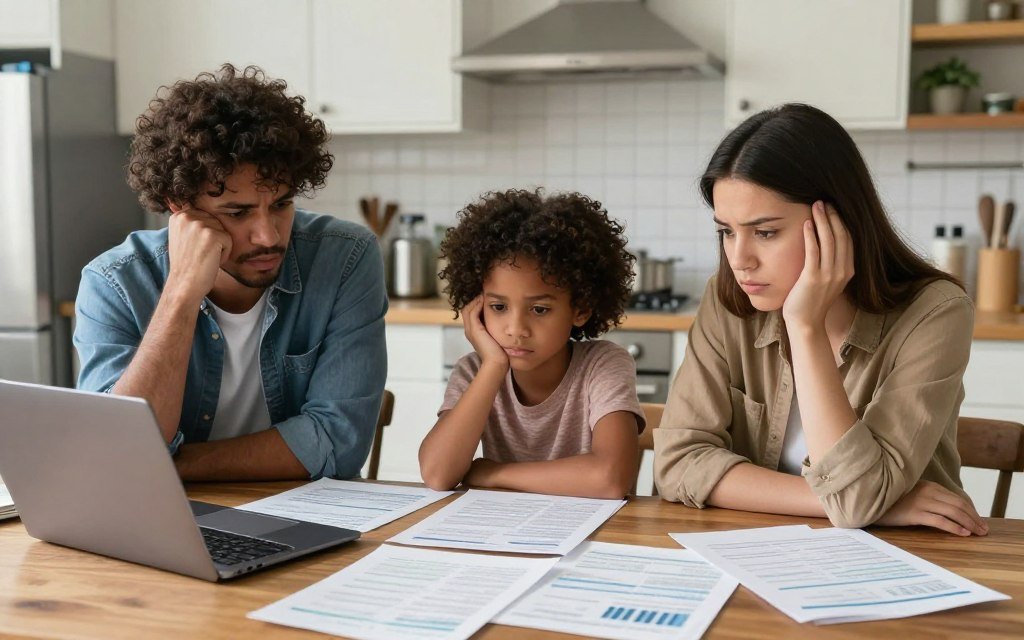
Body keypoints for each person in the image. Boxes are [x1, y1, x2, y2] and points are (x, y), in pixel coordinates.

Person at [654, 103, 989, 536]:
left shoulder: (936, 313)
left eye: (766, 232)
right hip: (760, 554)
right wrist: (847, 502)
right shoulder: (729, 303)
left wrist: (805, 327)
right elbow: (677, 463)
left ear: (837, 222)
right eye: (727, 232)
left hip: (906, 557)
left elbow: (855, 502)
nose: (739, 260)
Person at [74, 64, 387, 482]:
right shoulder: (114, 282)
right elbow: (119, 450)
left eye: (281, 204)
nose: (268, 235)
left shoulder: (345, 258)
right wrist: (181, 294)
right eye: (237, 213)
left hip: (305, 514)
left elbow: (337, 444)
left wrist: (176, 463)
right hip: (166, 520)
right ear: (179, 205)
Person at [419, 189, 644, 498]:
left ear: (580, 309)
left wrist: (494, 473)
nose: (516, 329)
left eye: (539, 310)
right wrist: (494, 367)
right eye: (498, 307)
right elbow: (437, 474)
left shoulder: (602, 365)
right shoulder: (474, 371)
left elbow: (610, 479)